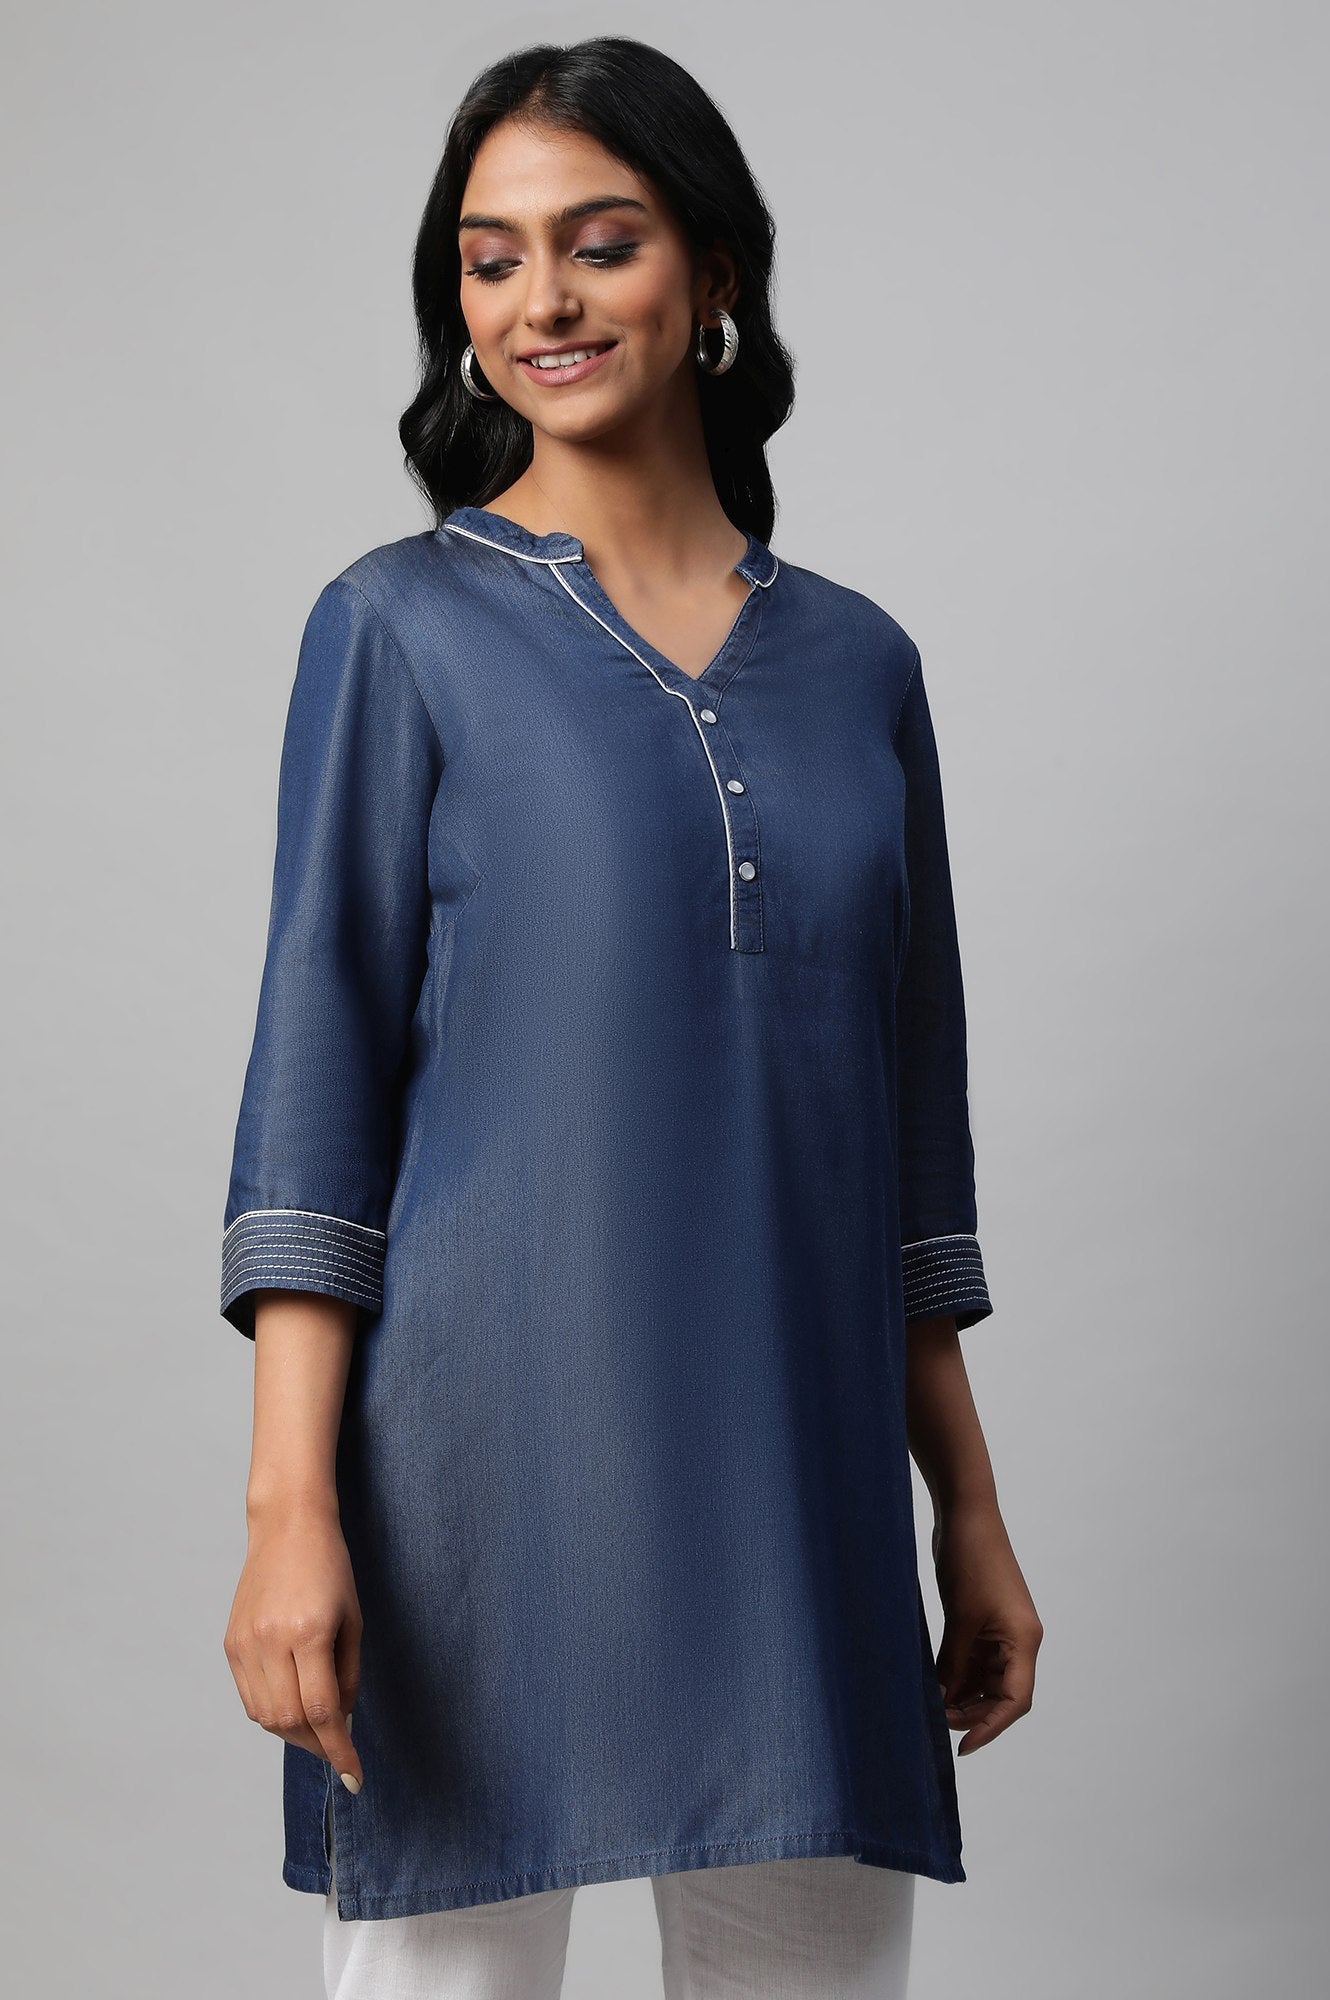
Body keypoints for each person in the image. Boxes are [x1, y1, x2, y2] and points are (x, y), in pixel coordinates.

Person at [219, 34, 1043, 2000]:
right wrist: (286, 1512)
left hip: (796, 1513)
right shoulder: (399, 627)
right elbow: (317, 1096)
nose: (542, 301)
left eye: (598, 244)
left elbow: (899, 1132)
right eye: (490, 258)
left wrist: (970, 1508)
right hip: (472, 1515)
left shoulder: (857, 667)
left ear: (714, 274)